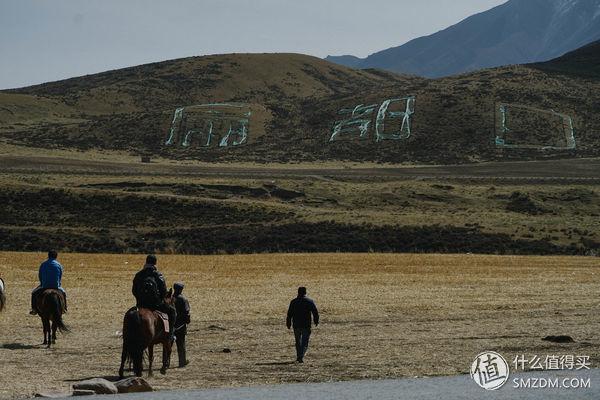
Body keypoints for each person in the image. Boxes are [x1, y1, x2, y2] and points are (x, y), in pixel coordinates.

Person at [132, 255, 177, 342]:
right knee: (172, 312)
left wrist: (140, 300)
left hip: (141, 304)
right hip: (156, 305)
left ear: (146, 262)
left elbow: (134, 291)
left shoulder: (139, 274)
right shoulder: (158, 275)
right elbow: (163, 292)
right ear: (155, 263)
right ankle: (170, 335)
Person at [286, 286, 319, 363]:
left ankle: (299, 356)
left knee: (298, 341)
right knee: (305, 342)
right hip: (306, 325)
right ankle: (301, 356)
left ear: (298, 292)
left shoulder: (293, 302)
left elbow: (289, 314)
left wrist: (288, 323)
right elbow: (315, 312)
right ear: (305, 292)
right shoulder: (309, 301)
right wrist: (316, 320)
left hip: (296, 325)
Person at [30, 250, 67, 315]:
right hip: (56, 286)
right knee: (63, 293)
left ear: (48, 256)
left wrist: (42, 283)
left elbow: (40, 275)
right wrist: (58, 283)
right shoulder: (59, 265)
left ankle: (34, 309)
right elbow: (60, 276)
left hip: (45, 285)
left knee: (33, 293)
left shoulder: (43, 264)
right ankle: (64, 308)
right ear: (56, 256)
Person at [173, 282, 191, 367]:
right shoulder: (183, 299)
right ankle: (182, 362)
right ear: (180, 290)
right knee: (181, 344)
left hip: (171, 325)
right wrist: (187, 321)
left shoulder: (171, 298)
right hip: (180, 325)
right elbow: (187, 312)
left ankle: (165, 363)